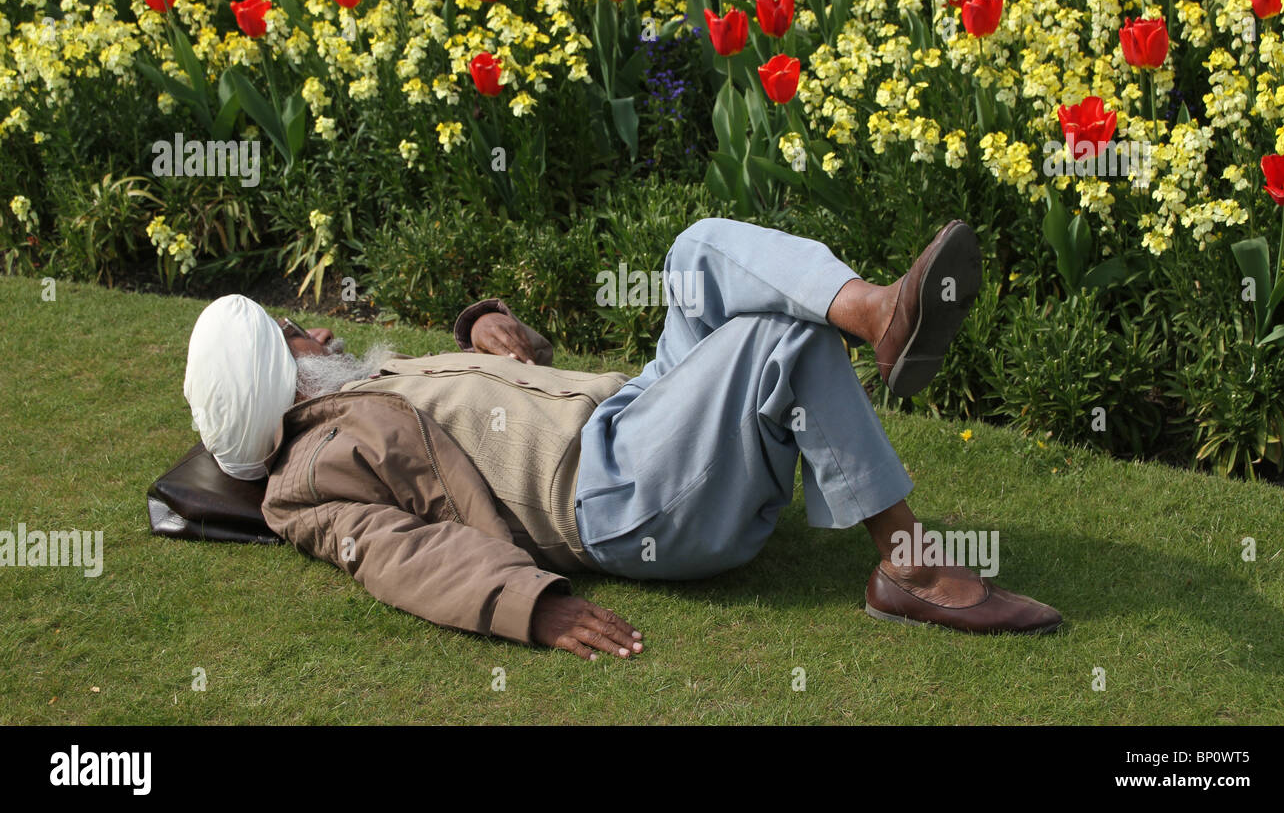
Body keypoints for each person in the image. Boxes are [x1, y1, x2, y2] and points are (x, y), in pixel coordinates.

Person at [182, 218, 1061, 662]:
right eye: (296, 336)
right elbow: (401, 556)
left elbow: (463, 406)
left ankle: (877, 310)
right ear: (281, 383)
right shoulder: (309, 480)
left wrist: (488, 325)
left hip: (626, 415)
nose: (322, 333)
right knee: (778, 341)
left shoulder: (361, 386)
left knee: (697, 250)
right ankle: (907, 568)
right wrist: (532, 606)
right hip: (616, 494)